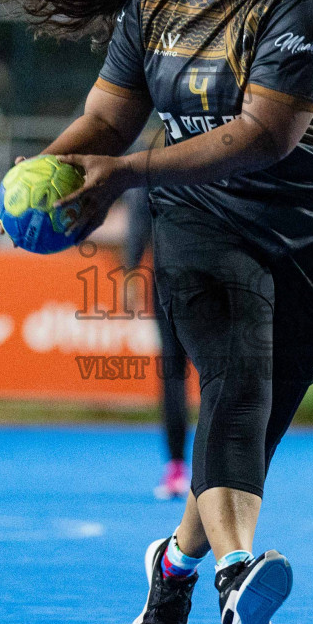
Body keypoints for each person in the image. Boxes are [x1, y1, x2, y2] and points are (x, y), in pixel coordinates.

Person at [0, 0, 313, 624]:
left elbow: (263, 138)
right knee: (236, 382)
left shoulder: (308, 6)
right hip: (197, 219)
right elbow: (106, 122)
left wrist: (121, 174)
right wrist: (46, 173)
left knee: (251, 428)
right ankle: (238, 575)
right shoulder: (153, 6)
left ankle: (175, 566)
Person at [122, 184, 191, 501]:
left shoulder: (159, 157)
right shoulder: (224, 143)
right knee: (221, 376)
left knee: (174, 372)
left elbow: (139, 214)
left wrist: (132, 267)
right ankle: (214, 472)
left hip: (172, 274)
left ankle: (178, 468)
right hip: (220, 272)